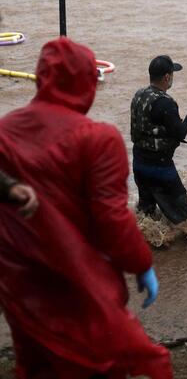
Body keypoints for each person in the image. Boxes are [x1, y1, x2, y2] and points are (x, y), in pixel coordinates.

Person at [0, 37, 171, 378]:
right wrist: (140, 263)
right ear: (87, 81)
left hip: (20, 283)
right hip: (77, 280)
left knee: (36, 366)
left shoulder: (5, 130)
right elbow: (112, 219)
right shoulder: (98, 139)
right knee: (122, 363)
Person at [131, 54, 187, 224]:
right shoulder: (166, 103)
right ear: (167, 77)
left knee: (146, 217)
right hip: (160, 168)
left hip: (139, 164)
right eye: (172, 75)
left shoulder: (139, 95)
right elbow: (179, 133)